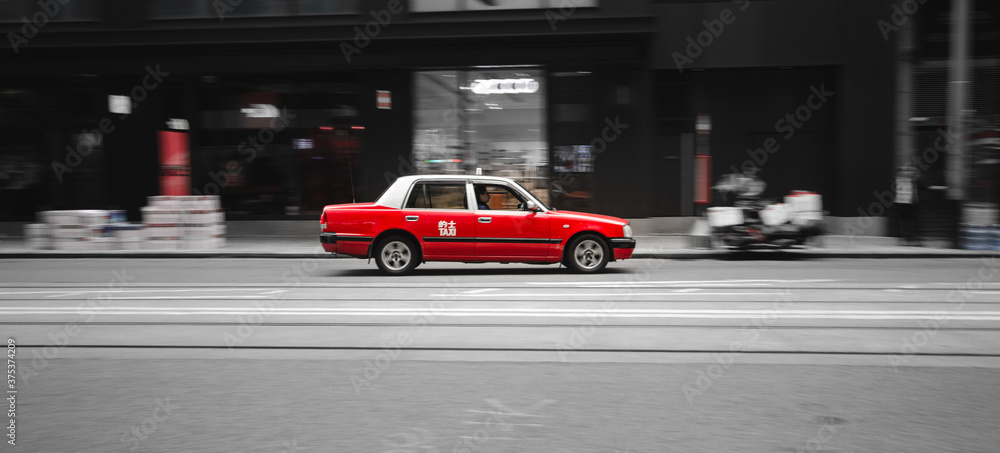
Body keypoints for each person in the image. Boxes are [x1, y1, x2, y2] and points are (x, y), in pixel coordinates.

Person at [893, 164, 920, 246]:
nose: (906, 172)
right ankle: (906, 239)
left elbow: (917, 174)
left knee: (907, 222)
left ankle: (907, 239)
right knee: (905, 222)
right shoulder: (901, 180)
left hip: (908, 203)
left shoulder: (907, 180)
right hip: (903, 204)